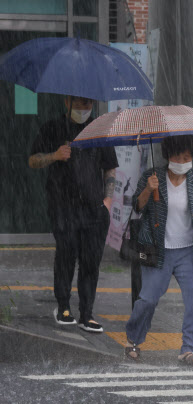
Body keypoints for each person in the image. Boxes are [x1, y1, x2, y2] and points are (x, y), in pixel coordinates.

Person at [124, 135, 193, 365]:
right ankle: (133, 340)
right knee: (147, 299)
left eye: (187, 157)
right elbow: (137, 206)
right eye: (178, 156)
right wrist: (148, 189)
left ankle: (189, 349)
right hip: (159, 250)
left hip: (188, 249)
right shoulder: (152, 176)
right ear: (168, 156)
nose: (183, 161)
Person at [28, 96, 118, 333]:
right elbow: (33, 160)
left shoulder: (99, 130)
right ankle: (64, 306)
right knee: (66, 254)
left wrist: (107, 201)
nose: (83, 109)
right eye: (78, 103)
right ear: (66, 102)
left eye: (87, 104)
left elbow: (110, 167)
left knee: (91, 262)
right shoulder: (53, 127)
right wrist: (54, 156)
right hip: (62, 206)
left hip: (94, 209)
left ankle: (87, 313)